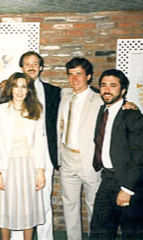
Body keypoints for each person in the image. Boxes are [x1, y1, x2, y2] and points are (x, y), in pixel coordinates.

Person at [89, 69, 143, 240]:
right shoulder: (103, 111)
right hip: (107, 180)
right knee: (99, 230)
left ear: (123, 90)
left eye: (113, 85)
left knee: (131, 234)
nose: (107, 89)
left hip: (129, 182)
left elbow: (142, 156)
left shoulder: (132, 116)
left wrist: (127, 188)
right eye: (103, 85)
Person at [3, 51, 60, 240]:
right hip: (19, 155)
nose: (31, 67)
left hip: (44, 152)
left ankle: (46, 238)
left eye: (35, 63)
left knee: (43, 199)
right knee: (19, 201)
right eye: (27, 63)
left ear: (41, 67)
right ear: (21, 68)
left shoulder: (55, 92)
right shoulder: (9, 90)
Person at [0, 72, 46, 240]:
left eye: (24, 87)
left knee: (28, 208)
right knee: (5, 208)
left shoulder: (36, 109)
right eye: (16, 86)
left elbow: (40, 141)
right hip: (6, 166)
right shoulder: (0, 110)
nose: (20, 91)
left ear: (29, 90)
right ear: (10, 89)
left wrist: (41, 169)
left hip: (28, 166)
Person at [57, 57, 102, 240]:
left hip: (89, 160)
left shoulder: (99, 99)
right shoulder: (65, 96)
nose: (74, 79)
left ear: (88, 76)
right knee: (70, 205)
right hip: (67, 157)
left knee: (94, 206)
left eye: (79, 74)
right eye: (71, 74)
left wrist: (129, 105)